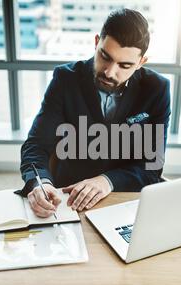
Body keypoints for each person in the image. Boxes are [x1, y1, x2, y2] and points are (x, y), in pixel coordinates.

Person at [19, 8, 171, 218]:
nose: (109, 72)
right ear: (97, 41)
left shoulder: (156, 89)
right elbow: (36, 146)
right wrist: (40, 183)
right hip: (66, 202)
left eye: (124, 65)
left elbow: (152, 167)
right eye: (105, 56)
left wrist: (107, 181)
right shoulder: (65, 79)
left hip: (122, 200)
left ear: (141, 63)